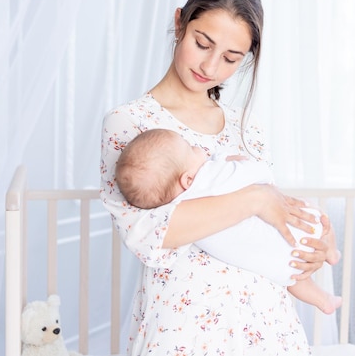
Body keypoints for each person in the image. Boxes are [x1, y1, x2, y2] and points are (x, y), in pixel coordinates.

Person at [100, 0, 335, 355]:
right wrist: (254, 199)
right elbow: (149, 233)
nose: (210, 67)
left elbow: (272, 212)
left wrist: (316, 241)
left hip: (266, 320)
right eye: (202, 43)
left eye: (230, 58)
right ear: (180, 22)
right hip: (185, 325)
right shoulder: (131, 123)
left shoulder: (246, 126)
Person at [114, 128, 342, 315]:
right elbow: (255, 175)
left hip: (268, 269)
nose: (198, 148)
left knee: (291, 277)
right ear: (187, 179)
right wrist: (236, 164)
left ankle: (323, 299)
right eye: (191, 148)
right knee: (316, 216)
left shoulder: (173, 206)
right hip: (281, 243)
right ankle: (331, 253)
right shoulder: (205, 179)